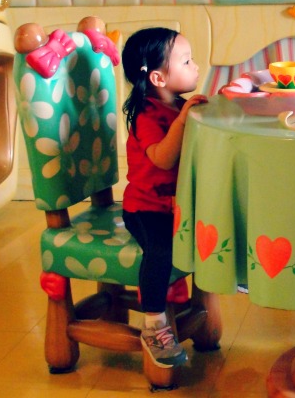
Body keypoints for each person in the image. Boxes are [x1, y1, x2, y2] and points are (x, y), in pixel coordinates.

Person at [120, 27, 208, 368]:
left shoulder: (180, 105)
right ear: (158, 78)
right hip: (146, 208)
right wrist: (183, 121)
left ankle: (230, 271)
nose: (195, 66)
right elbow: (162, 158)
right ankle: (154, 324)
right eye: (186, 61)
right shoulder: (146, 115)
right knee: (162, 250)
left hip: (177, 206)